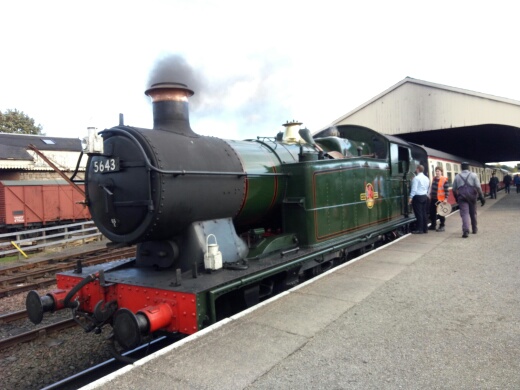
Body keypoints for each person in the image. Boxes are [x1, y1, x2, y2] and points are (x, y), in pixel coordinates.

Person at [452, 162, 485, 238]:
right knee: (473, 213)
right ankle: (474, 229)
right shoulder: (473, 175)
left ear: (461, 168)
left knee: (465, 214)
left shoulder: (457, 176)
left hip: (462, 197)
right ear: (468, 167)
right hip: (472, 197)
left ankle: (466, 231)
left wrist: (456, 198)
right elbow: (478, 187)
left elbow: (454, 189)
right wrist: (482, 197)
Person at [408, 164, 430, 234]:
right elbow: (427, 188)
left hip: (417, 197)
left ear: (417, 169)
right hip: (424, 196)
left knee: (418, 214)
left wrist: (410, 197)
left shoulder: (416, 178)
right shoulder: (426, 178)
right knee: (424, 213)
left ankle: (419, 229)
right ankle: (425, 229)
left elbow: (414, 189)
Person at [428, 167, 449, 231]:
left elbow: (446, 190)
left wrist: (446, 198)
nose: (437, 172)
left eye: (438, 171)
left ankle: (442, 226)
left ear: (441, 172)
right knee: (432, 212)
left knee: (441, 213)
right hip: (433, 198)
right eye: (436, 171)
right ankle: (433, 225)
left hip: (440, 200)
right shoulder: (434, 178)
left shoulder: (444, 179)